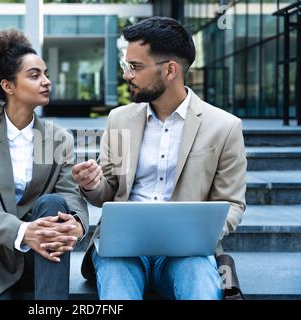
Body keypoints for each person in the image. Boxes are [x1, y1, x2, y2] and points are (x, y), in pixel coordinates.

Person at [72, 17, 247, 300]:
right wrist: (92, 184)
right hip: (122, 249)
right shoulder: (120, 119)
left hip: (186, 251)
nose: (127, 75)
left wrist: (199, 233)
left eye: (135, 67)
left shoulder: (224, 126)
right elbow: (107, 190)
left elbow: (233, 203)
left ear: (170, 70)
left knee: (200, 284)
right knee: (117, 290)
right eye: (126, 66)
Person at [0, 29, 88, 300]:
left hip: (44, 255)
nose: (46, 82)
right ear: (7, 86)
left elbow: (70, 194)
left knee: (55, 204)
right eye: (34, 76)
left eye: (45, 74)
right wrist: (23, 231)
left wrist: (77, 223)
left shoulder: (58, 139)